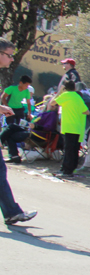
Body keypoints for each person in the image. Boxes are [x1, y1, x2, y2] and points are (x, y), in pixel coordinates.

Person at [0, 37, 37, 225]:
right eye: (9, 55)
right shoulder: (12, 87)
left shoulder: (24, 91)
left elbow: (29, 103)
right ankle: (12, 212)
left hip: (16, 113)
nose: (11, 59)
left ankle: (12, 212)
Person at [53, 80, 89, 177]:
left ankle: (66, 171)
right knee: (74, 149)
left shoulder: (66, 95)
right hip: (77, 127)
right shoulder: (78, 97)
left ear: (65, 88)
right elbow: (87, 111)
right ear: (74, 87)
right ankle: (70, 169)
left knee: (68, 149)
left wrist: (60, 92)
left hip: (68, 126)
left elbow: (52, 103)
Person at [1, 75, 33, 163]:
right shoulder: (12, 88)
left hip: (19, 109)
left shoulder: (26, 91)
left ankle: (12, 148)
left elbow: (28, 102)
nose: (27, 87)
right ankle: (7, 146)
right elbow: (3, 97)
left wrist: (29, 113)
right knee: (10, 127)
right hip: (11, 108)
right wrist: (6, 107)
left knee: (19, 128)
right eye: (26, 85)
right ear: (20, 83)